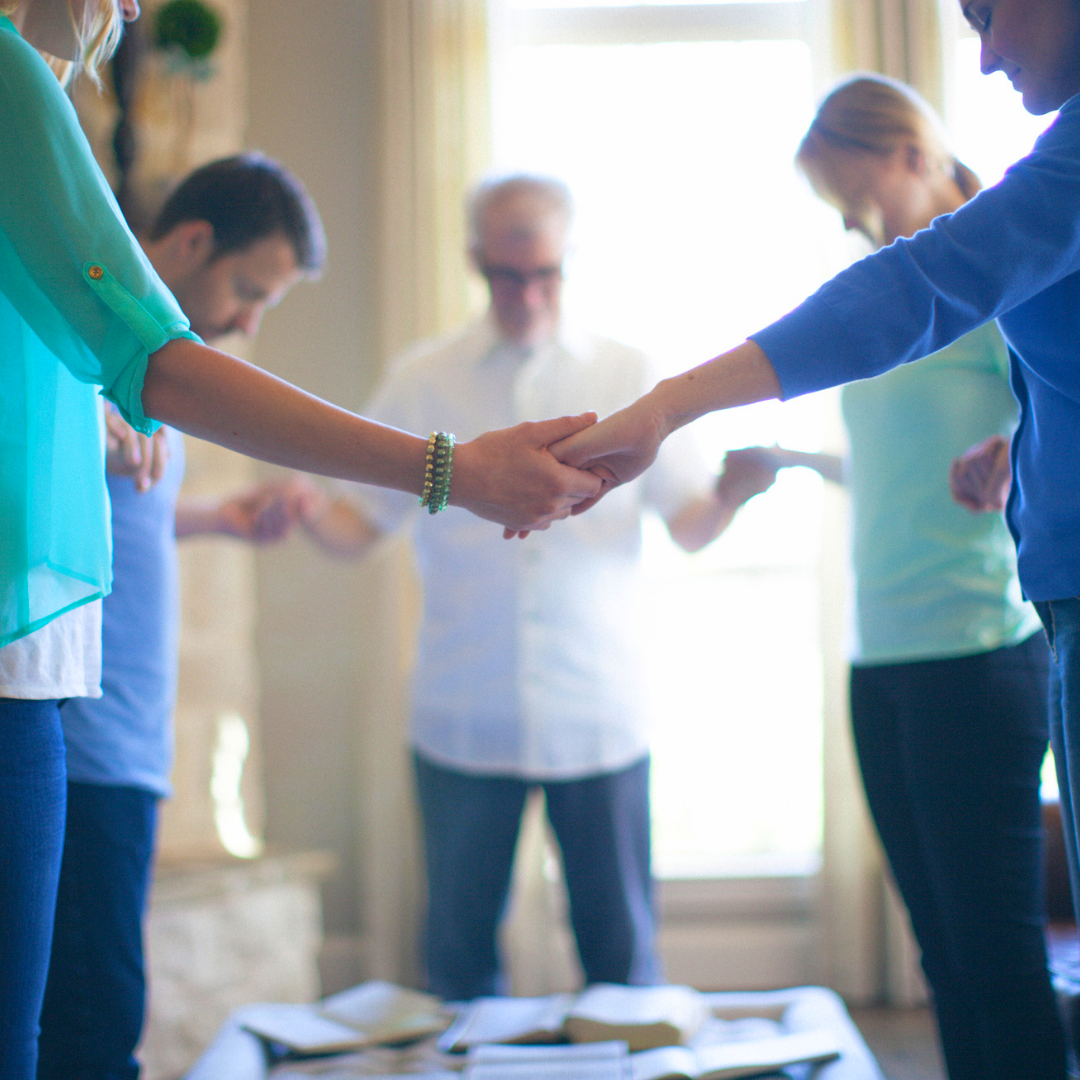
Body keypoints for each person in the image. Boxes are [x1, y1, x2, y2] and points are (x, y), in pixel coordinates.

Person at [0, 4, 601, 1076]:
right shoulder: (13, 84)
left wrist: (208, 510)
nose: (134, 7)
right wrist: (448, 469)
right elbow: (160, 361)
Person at [296, 175, 769, 1000]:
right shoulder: (423, 377)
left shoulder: (631, 372)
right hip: (462, 713)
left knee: (622, 964)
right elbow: (356, 527)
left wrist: (731, 491)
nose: (526, 294)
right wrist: (300, 503)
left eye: (543, 273)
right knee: (458, 965)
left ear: (568, 262)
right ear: (476, 262)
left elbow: (690, 524)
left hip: (599, 713)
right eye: (506, 276)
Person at [719, 74, 1065, 1080]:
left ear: (911, 155)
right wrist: (789, 466)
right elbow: (900, 464)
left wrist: (1015, 443)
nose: (852, 224)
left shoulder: (1000, 278)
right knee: (941, 959)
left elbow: (1058, 402)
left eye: (857, 199)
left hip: (980, 650)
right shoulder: (889, 305)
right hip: (883, 656)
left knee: (995, 958)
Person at [37, 154, 328, 1080]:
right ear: (193, 241)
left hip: (127, 747)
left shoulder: (137, 354)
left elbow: (113, 520)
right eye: (248, 290)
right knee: (96, 1027)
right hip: (82, 749)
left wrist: (213, 521)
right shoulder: (92, 342)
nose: (247, 321)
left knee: (97, 1011)